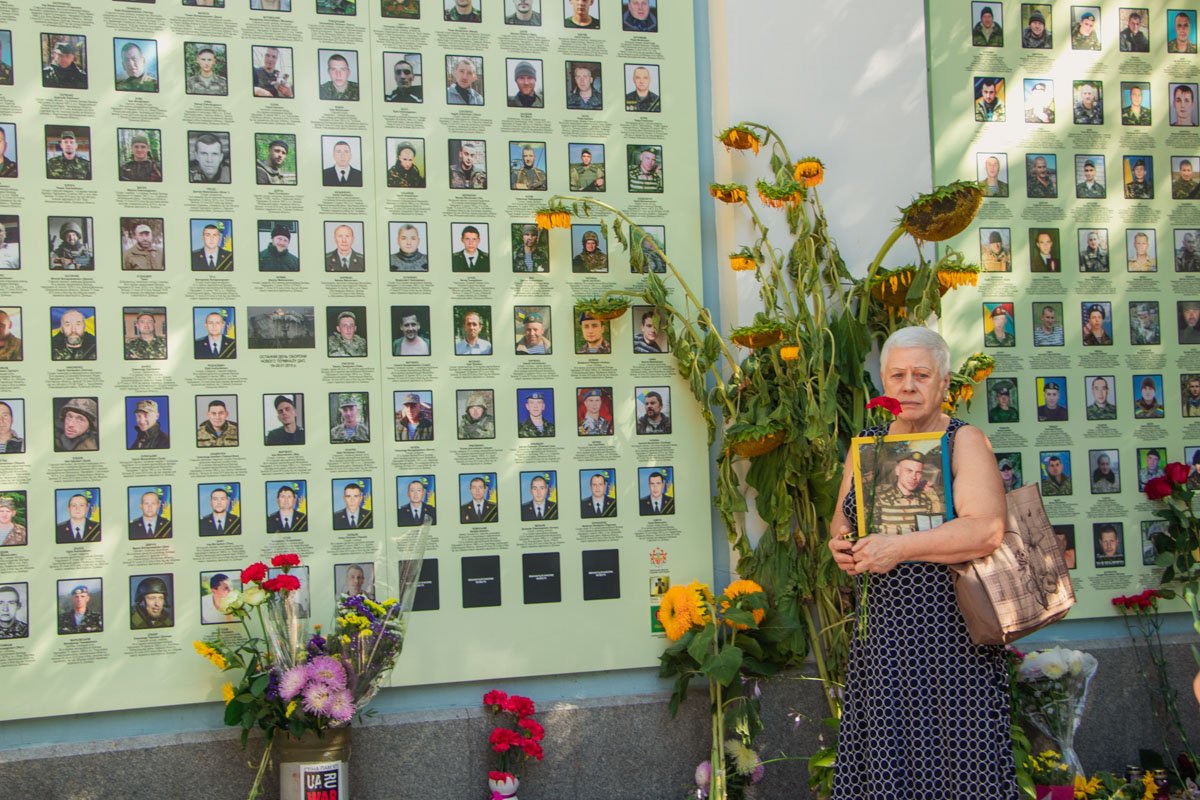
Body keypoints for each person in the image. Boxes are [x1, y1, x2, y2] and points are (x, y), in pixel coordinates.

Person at [827, 326, 1014, 798]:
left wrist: (898, 547)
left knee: (957, 763)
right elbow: (840, 522)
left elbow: (987, 529)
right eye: (897, 375)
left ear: (944, 383)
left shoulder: (962, 439)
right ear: (883, 384)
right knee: (888, 761)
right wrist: (842, 547)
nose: (908, 385)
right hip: (884, 635)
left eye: (921, 374)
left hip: (952, 634)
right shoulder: (867, 445)